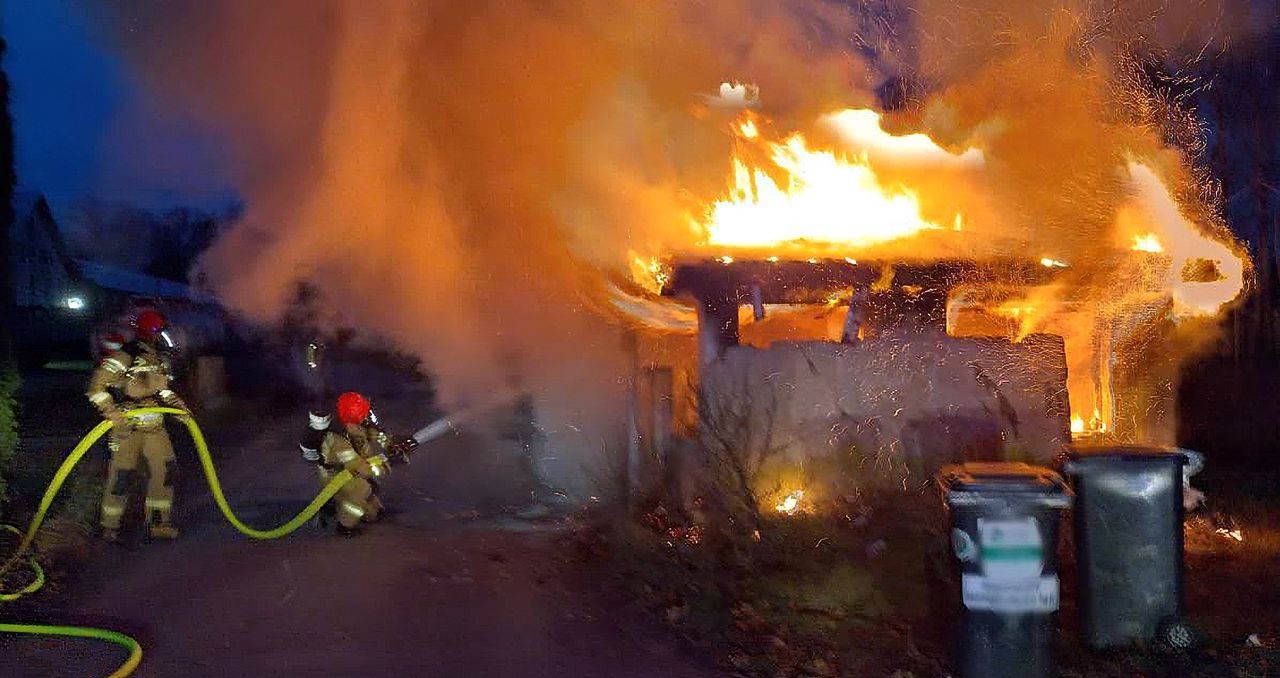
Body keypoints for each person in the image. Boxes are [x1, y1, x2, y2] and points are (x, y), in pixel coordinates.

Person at [86, 309, 190, 542]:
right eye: (160, 332)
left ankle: (158, 523)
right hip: (128, 429)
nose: (164, 336)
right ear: (152, 332)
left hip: (155, 427)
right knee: (122, 477)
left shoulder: (157, 358)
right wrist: (113, 414)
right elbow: (96, 388)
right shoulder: (126, 355)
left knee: (165, 473)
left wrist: (179, 408)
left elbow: (162, 390)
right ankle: (110, 527)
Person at [304, 391, 416, 536]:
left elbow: (376, 434)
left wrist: (393, 443)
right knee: (362, 489)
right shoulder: (337, 440)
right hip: (336, 476)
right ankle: (344, 525)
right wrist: (391, 462)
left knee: (372, 514)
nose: (366, 415)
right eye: (363, 411)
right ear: (355, 413)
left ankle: (338, 504)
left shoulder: (356, 425)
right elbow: (363, 469)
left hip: (352, 470)